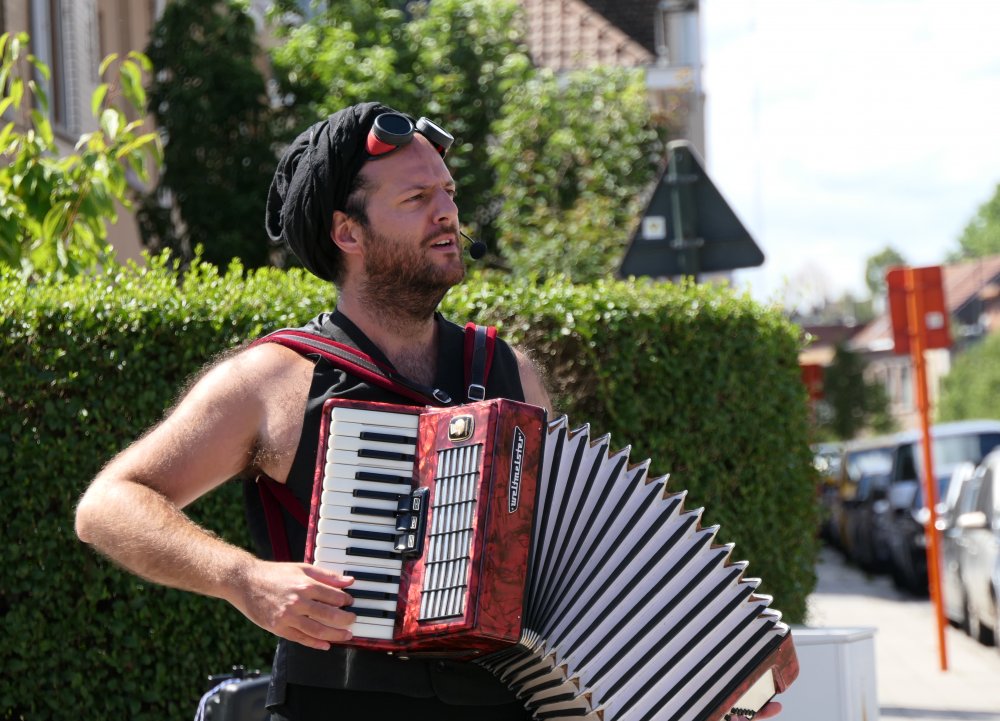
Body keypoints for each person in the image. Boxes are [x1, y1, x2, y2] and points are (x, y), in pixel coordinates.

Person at [75, 101, 779, 721]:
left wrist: (695, 690)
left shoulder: (507, 374)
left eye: (447, 192)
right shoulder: (275, 379)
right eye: (416, 198)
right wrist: (244, 579)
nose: (448, 213)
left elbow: (577, 580)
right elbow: (109, 503)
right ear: (347, 232)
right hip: (337, 705)